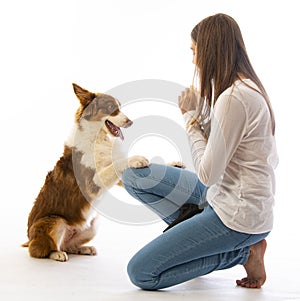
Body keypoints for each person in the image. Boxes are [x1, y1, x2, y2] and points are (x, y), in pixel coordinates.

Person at [122, 13, 278, 290]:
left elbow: (207, 173)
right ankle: (196, 242)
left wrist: (190, 119)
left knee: (142, 273)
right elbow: (225, 140)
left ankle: (243, 252)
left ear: (210, 50)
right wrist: (202, 114)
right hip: (224, 195)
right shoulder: (241, 89)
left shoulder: (235, 97)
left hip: (236, 216)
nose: (194, 60)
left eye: (195, 51)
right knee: (135, 177)